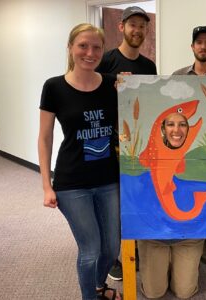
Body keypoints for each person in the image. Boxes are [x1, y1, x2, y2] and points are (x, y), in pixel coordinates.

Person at [38, 23, 121, 300]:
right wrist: (46, 186)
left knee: (111, 247)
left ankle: (98, 286)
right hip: (72, 183)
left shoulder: (113, 83)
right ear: (71, 48)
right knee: (91, 249)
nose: (90, 52)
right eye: (83, 45)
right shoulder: (54, 87)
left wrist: (134, 87)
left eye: (97, 47)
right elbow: (45, 138)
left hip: (109, 179)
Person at [96, 5, 157, 281]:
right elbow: (90, 93)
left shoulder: (149, 65)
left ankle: (135, 251)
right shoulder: (106, 60)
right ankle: (112, 257)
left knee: (136, 197)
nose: (138, 30)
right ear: (121, 27)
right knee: (113, 203)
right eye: (133, 25)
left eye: (142, 26)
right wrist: (113, 83)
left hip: (138, 143)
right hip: (109, 144)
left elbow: (150, 103)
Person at [138, 113, 204, 299]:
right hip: (154, 236)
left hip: (188, 236)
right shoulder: (151, 152)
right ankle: (164, 261)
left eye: (183, 124)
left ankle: (182, 262)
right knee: (153, 293)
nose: (176, 130)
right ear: (162, 128)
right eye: (171, 124)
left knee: (184, 292)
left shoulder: (197, 156)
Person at [173, 25, 206, 265]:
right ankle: (184, 237)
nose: (202, 46)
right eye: (198, 42)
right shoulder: (177, 76)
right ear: (192, 47)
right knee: (184, 187)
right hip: (182, 141)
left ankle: (202, 242)